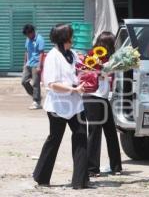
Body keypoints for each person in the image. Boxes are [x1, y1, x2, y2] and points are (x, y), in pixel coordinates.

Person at [33, 24, 89, 189]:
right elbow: (51, 84)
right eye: (71, 35)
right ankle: (41, 176)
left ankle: (80, 180)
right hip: (58, 106)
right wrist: (73, 89)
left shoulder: (72, 54)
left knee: (80, 138)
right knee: (54, 140)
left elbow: (82, 70)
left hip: (76, 105)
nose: (74, 38)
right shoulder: (52, 56)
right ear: (65, 38)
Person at [83, 31, 122, 177]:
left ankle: (116, 167)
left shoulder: (110, 57)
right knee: (95, 132)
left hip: (103, 97)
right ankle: (92, 169)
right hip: (92, 97)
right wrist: (103, 68)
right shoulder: (92, 55)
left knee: (111, 132)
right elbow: (87, 73)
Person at [21, 24, 45, 109]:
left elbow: (42, 53)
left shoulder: (39, 39)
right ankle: (36, 96)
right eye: (26, 35)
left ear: (32, 32)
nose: (27, 36)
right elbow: (27, 51)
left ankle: (37, 102)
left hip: (36, 64)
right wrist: (25, 63)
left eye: (28, 34)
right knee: (24, 81)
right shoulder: (28, 39)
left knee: (36, 83)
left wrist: (39, 65)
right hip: (28, 64)